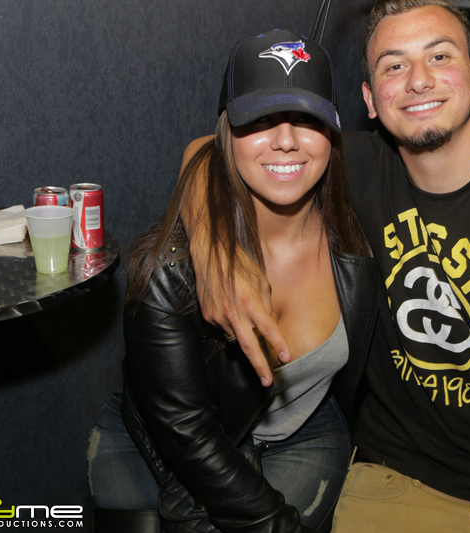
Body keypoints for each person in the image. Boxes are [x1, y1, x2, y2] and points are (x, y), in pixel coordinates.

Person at [186, 1, 470, 531]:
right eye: (394, 65)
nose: (418, 80)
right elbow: (208, 152)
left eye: (439, 56)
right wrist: (215, 253)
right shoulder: (356, 168)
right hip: (393, 478)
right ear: (370, 99)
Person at [87, 29, 379, 533]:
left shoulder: (357, 218)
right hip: (167, 436)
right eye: (260, 120)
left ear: (333, 132)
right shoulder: (169, 269)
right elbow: (187, 432)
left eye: (307, 119)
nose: (285, 139)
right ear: (228, 133)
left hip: (302, 431)